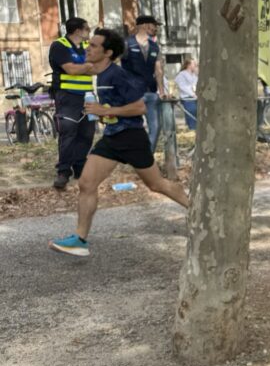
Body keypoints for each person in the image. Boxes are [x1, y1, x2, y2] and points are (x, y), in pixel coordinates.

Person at [48, 29, 190, 257]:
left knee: (156, 184)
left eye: (93, 46)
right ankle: (80, 240)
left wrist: (106, 110)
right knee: (86, 183)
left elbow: (139, 107)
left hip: (131, 138)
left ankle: (197, 210)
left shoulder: (117, 75)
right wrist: (103, 114)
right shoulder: (100, 75)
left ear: (108, 53)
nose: (88, 48)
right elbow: (113, 110)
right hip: (113, 137)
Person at [48, 17, 96, 189]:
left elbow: (99, 66)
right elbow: (71, 69)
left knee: (87, 133)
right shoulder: (59, 45)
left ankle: (79, 166)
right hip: (67, 96)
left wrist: (87, 67)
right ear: (77, 30)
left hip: (88, 96)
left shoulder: (88, 46)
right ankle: (63, 172)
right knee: (68, 133)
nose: (89, 31)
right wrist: (88, 66)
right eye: (87, 28)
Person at [121, 14, 166, 151]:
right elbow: (116, 66)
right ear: (145, 25)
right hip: (132, 94)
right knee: (133, 127)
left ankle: (147, 157)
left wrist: (162, 92)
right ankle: (132, 154)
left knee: (156, 127)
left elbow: (158, 71)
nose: (156, 29)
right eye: (154, 25)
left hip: (151, 92)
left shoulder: (155, 47)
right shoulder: (126, 44)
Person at [174, 56, 199, 130]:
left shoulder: (194, 75)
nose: (195, 65)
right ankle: (192, 130)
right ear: (189, 65)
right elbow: (183, 87)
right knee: (191, 116)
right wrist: (193, 94)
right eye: (193, 64)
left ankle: (194, 130)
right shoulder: (182, 74)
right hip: (188, 98)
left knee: (196, 116)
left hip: (195, 98)